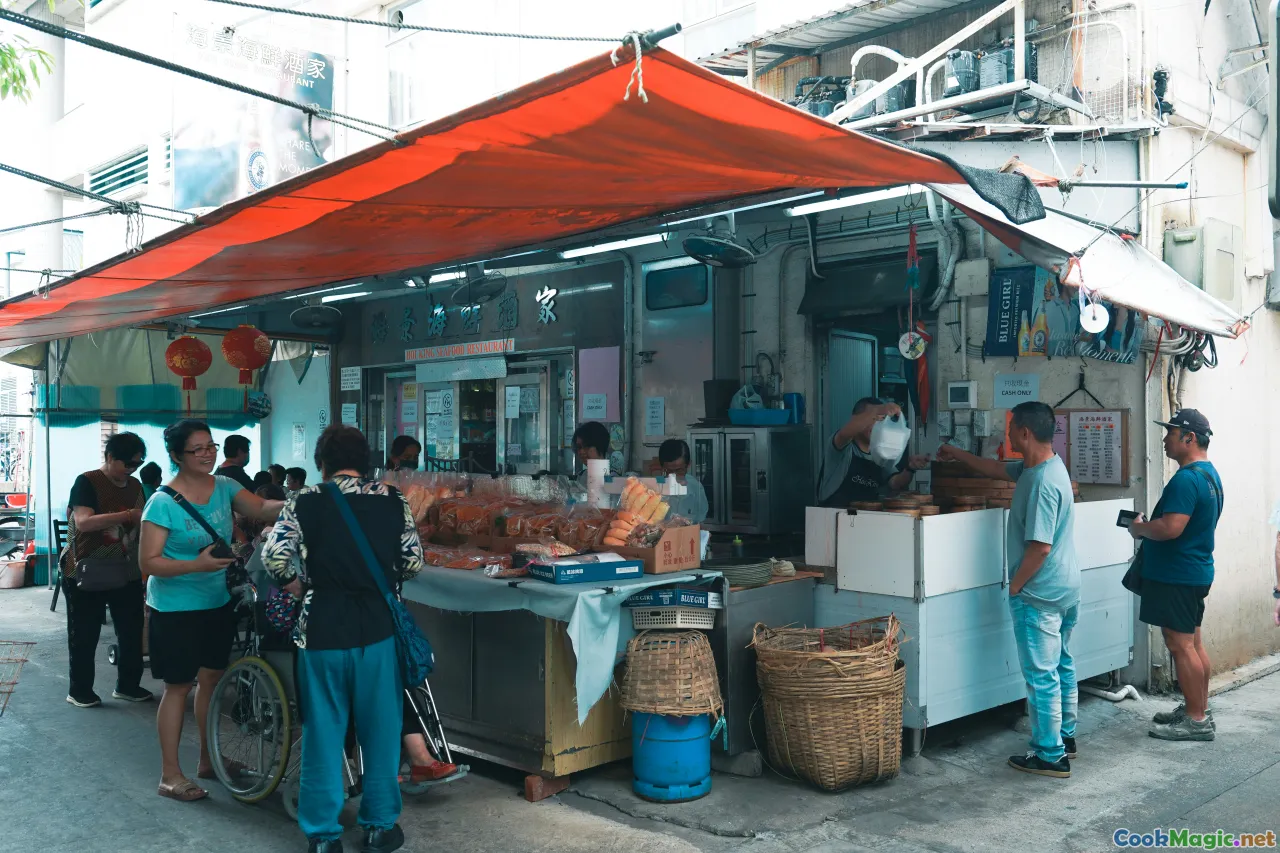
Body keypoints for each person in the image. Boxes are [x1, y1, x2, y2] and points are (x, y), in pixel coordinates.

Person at [262, 425, 424, 853]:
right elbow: (412, 563)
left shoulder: (303, 501)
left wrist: (300, 586)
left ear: (322, 464)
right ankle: (379, 826)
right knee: (382, 730)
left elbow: (274, 555)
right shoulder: (393, 498)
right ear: (366, 460)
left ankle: (322, 836)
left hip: (322, 630)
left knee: (323, 731)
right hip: (377, 630)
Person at [139, 420, 284, 803]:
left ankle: (208, 760)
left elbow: (263, 507)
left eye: (211, 446)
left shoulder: (225, 487)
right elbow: (149, 562)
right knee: (177, 687)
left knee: (212, 681)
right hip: (174, 609)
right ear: (175, 456)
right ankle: (170, 775)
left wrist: (311, 502)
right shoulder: (162, 502)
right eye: (197, 449)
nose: (207, 454)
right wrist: (195, 565)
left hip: (216, 603)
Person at [938, 401, 1079, 778]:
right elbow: (995, 468)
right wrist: (955, 453)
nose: (1008, 434)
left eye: (1012, 428)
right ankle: (1065, 736)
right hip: (1064, 588)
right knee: (1060, 663)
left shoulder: (1043, 485)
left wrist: (1014, 586)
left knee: (1040, 675)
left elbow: (1040, 546)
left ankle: (1050, 754)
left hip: (1040, 592)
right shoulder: (1042, 467)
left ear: (1025, 434)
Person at [1130, 409, 1222, 743]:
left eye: (1170, 432)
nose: (1165, 439)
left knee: (1180, 645)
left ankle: (1196, 721)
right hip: (1194, 571)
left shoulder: (1186, 478)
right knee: (1193, 643)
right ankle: (1198, 708)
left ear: (1189, 438)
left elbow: (1171, 528)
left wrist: (1139, 529)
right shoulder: (1209, 475)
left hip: (1177, 574)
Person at [62, 431, 152, 708]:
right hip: (85, 570)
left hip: (125, 570)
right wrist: (126, 516)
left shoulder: (136, 486)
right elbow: (85, 522)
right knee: (85, 633)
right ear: (110, 457)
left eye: (136, 464)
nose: (131, 470)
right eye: (127, 464)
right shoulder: (87, 481)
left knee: (131, 631)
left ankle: (128, 685)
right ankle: (80, 691)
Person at [818, 397, 930, 506]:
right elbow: (844, 433)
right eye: (873, 418)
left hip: (864, 519)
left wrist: (910, 468)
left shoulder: (880, 454)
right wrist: (878, 409)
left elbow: (896, 483)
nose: (877, 424)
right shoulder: (841, 447)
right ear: (856, 419)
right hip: (831, 518)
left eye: (881, 419)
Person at [657, 439, 708, 524]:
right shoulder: (652, 488)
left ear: (688, 465)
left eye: (679, 470)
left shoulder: (695, 487)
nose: (674, 476)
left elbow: (700, 519)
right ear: (661, 467)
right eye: (669, 471)